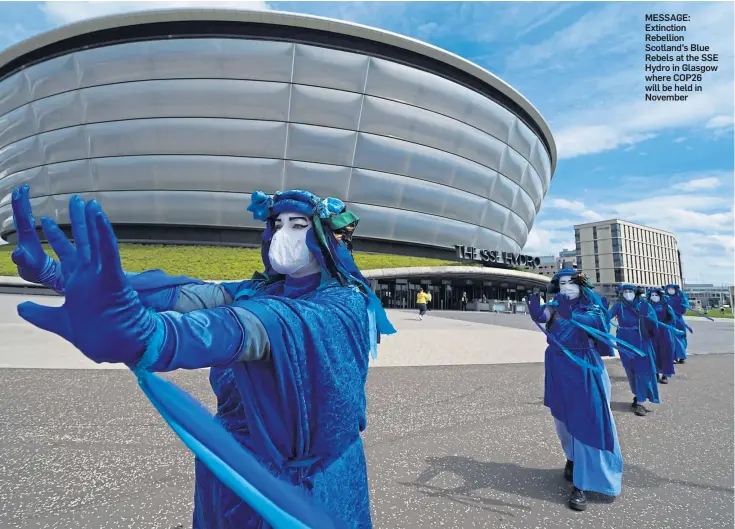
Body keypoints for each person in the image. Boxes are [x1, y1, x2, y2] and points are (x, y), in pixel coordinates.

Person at [11, 184, 396, 529]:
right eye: (277, 224)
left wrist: (155, 336)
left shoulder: (342, 303)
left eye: (298, 225)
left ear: (328, 239)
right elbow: (187, 296)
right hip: (230, 466)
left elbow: (255, 327)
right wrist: (56, 274)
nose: (283, 235)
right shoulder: (259, 289)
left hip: (302, 487)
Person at [527, 269, 622, 512]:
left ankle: (584, 483)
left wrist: (573, 313)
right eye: (562, 283)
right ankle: (572, 459)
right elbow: (542, 315)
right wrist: (535, 306)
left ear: (581, 284)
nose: (566, 287)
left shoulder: (593, 305)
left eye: (571, 282)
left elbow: (596, 323)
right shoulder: (556, 305)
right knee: (562, 420)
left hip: (584, 367)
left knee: (588, 423)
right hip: (558, 366)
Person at [608, 285, 660, 416]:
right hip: (624, 342)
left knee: (643, 370)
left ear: (636, 293)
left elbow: (655, 323)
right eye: (625, 291)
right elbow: (605, 318)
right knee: (630, 371)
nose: (627, 294)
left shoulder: (644, 305)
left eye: (630, 291)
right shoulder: (618, 306)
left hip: (642, 341)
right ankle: (637, 395)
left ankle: (641, 402)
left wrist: (647, 318)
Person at [646, 287, 677, 384]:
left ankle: (665, 375)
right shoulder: (647, 306)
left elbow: (672, 319)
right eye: (652, 295)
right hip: (652, 333)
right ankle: (654, 373)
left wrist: (663, 323)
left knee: (666, 353)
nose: (654, 297)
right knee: (653, 353)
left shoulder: (666, 306)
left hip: (664, 332)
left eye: (656, 295)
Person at [664, 284, 690, 364]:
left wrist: (683, 298)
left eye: (672, 289)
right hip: (668, 320)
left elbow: (684, 309)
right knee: (671, 338)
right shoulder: (665, 298)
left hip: (678, 320)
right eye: (669, 289)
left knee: (681, 337)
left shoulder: (680, 298)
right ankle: (673, 356)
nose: (670, 290)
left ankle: (682, 356)